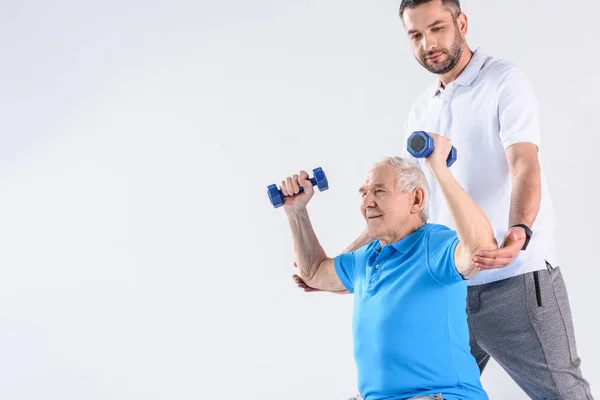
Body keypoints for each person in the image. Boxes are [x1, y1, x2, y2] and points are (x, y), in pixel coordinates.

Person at [294, 0, 595, 399]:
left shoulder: (504, 80)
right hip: (445, 281)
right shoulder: (421, 112)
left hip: (514, 277)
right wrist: (335, 269)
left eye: (437, 29)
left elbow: (524, 163)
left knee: (563, 395)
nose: (427, 44)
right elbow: (408, 210)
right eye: (415, 35)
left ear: (462, 23)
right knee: (425, 387)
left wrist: (520, 231)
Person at [280, 134, 496, 400]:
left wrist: (438, 168)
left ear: (416, 200)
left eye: (380, 191)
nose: (367, 202)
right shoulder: (366, 258)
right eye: (364, 193)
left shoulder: (433, 245)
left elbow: (480, 249)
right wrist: (296, 211)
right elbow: (313, 272)